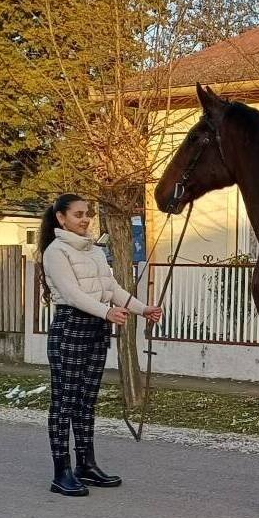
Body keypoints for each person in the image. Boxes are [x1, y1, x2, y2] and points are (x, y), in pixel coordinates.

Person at [38, 193, 162, 496]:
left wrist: (142, 308)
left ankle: (86, 465)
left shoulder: (94, 251)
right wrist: (106, 312)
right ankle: (61, 472)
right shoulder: (55, 252)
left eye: (87, 214)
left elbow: (112, 289)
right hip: (70, 328)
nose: (85, 220)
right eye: (78, 214)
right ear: (61, 218)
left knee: (86, 401)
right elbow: (73, 293)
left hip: (95, 330)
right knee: (64, 403)